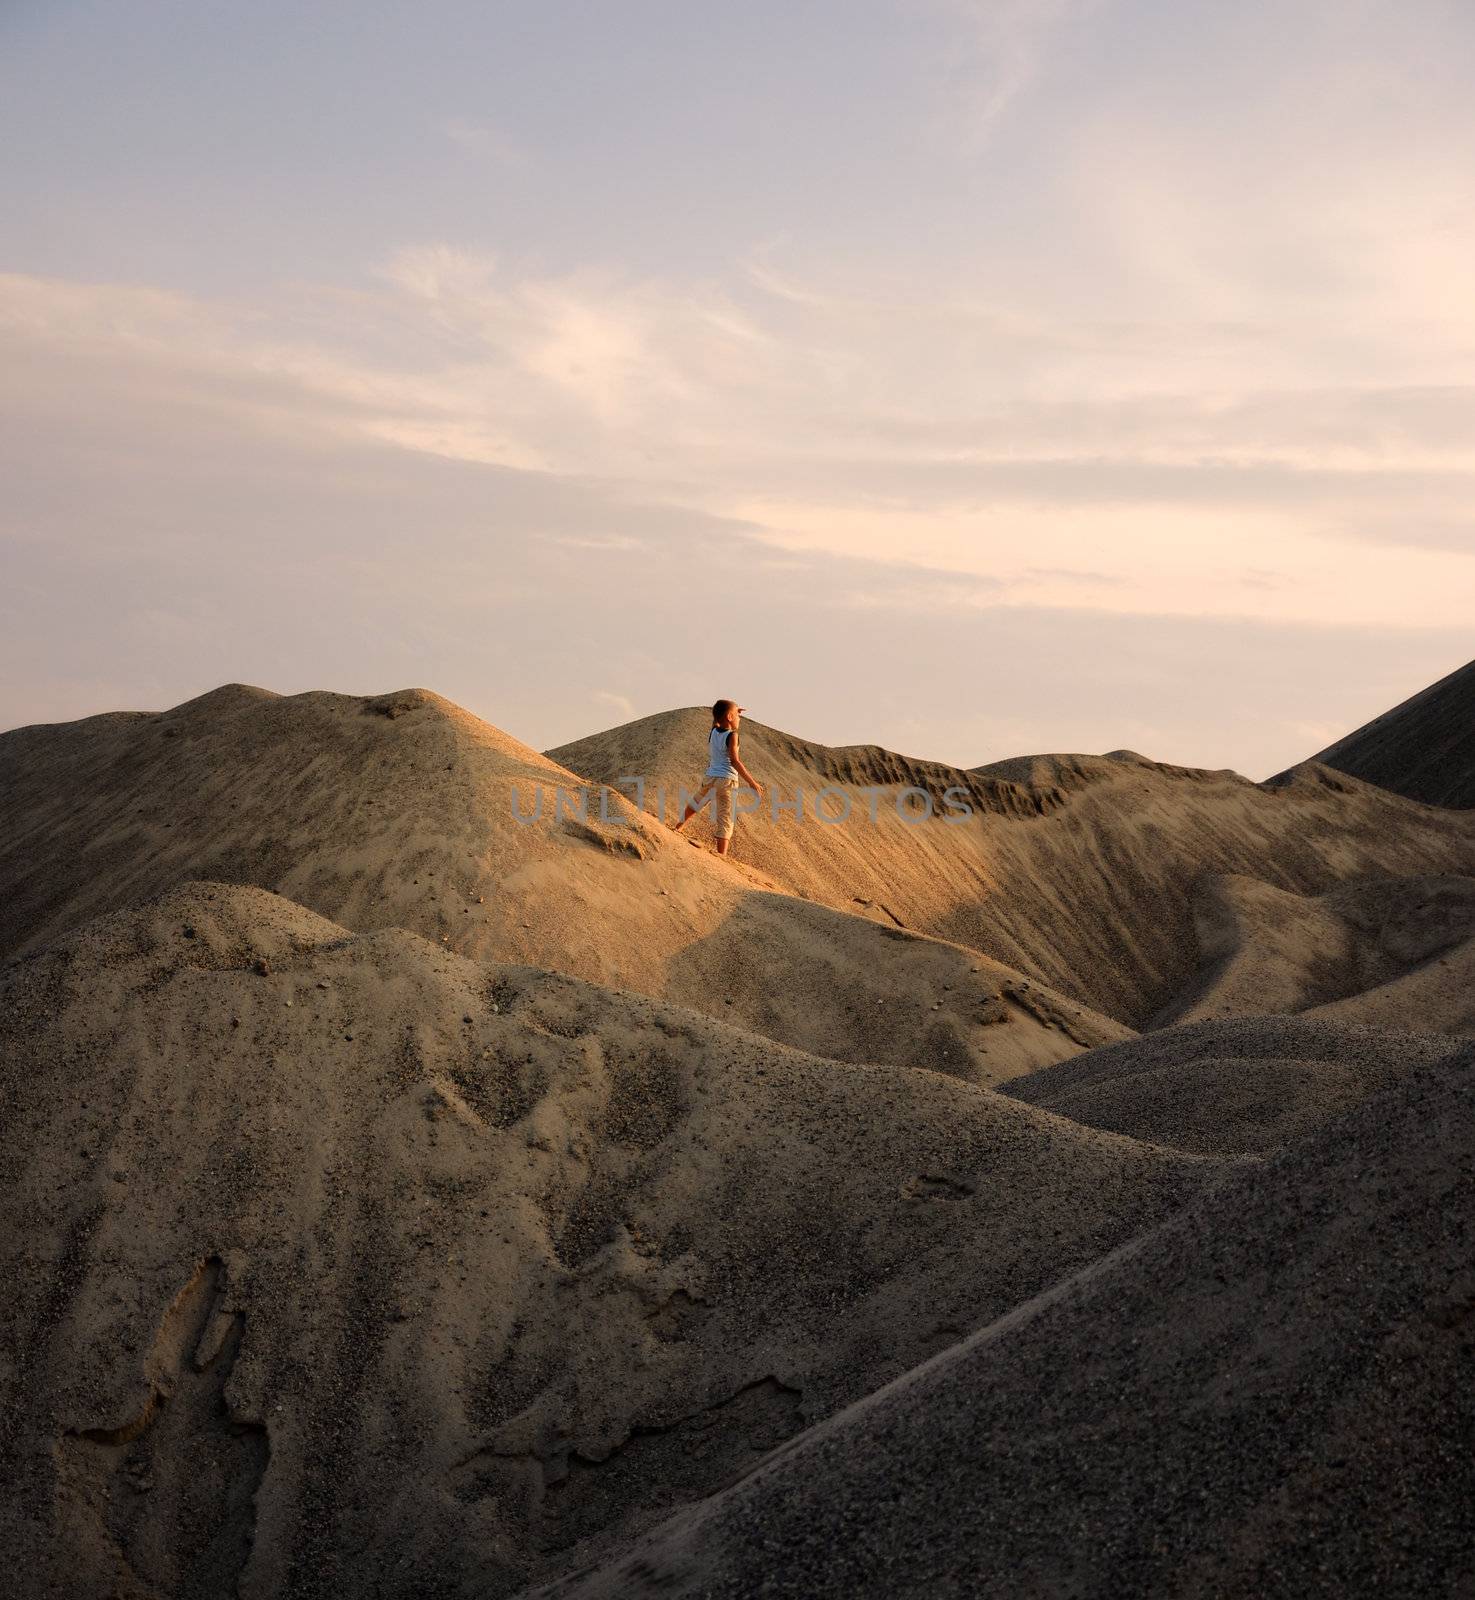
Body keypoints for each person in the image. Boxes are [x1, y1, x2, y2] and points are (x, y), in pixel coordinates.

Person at [673, 698, 763, 856]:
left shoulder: (713, 731)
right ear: (729, 717)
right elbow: (735, 761)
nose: (739, 718)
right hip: (727, 781)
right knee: (725, 816)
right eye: (737, 715)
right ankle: (722, 855)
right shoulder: (733, 735)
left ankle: (679, 826)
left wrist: (731, 711)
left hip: (711, 777)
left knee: (697, 801)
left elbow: (716, 721)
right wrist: (752, 782)